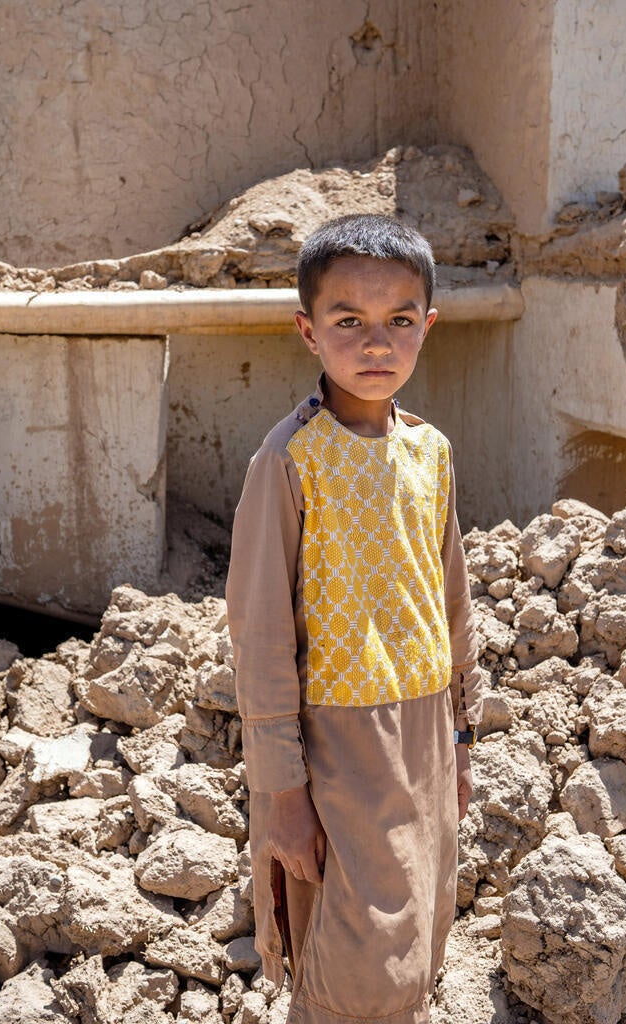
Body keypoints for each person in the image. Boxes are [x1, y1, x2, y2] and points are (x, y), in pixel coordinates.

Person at [224, 213, 487, 1024]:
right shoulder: (289, 460)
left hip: (426, 736)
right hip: (337, 741)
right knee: (353, 954)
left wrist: (463, 739)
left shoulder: (431, 451)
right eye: (349, 321)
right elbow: (260, 633)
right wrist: (281, 790)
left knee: (419, 927)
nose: (376, 343)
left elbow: (451, 598)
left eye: (399, 321)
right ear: (308, 330)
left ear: (427, 327)